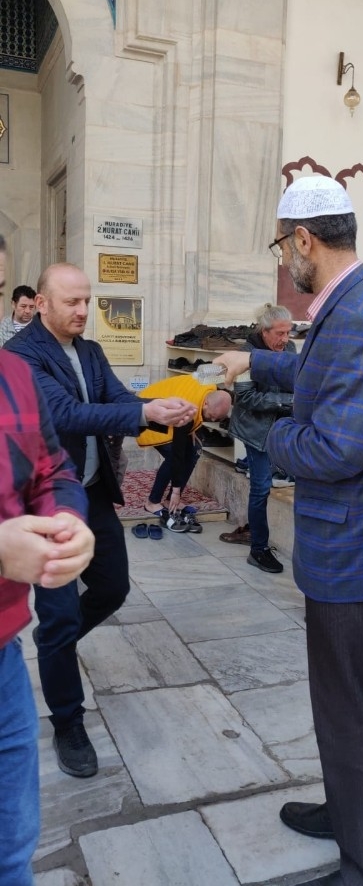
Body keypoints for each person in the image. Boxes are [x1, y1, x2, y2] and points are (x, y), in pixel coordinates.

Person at [215, 175, 363, 886]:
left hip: (356, 549)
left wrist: (271, 431)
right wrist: (255, 361)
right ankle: (348, 808)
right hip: (355, 543)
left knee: (351, 706)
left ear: (304, 239)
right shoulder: (355, 302)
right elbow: (315, 369)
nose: (285, 257)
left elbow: (339, 446)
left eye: (283, 243)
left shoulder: (360, 315)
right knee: (341, 699)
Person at [4, 263, 197, 779]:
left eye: (87, 301)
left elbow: (114, 397)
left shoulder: (89, 349)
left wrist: (159, 406)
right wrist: (144, 416)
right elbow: (65, 414)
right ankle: (68, 718)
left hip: (91, 493)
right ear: (41, 303)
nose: (83, 312)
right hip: (46, 504)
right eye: (71, 302)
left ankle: (55, 646)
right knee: (61, 615)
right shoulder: (21, 356)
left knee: (112, 588)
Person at [0, 240, 95, 886]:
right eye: (74, 300)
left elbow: (50, 462)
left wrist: (69, 517)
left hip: (3, 658)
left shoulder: (9, 377)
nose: (84, 311)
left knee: (13, 850)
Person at [219, 303, 295, 573]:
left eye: (289, 333)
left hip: (283, 429)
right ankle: (258, 549)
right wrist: (290, 401)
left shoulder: (290, 350)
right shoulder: (244, 355)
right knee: (261, 487)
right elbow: (247, 397)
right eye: (279, 334)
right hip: (256, 431)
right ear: (264, 331)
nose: (285, 340)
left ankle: (254, 530)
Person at [137, 375, 232, 533]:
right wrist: (176, 490)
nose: (213, 419)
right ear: (206, 403)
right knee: (172, 455)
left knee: (194, 450)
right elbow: (177, 453)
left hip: (172, 415)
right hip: (148, 415)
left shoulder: (210, 390)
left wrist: (192, 428)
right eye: (212, 416)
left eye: (217, 418)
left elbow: (196, 408)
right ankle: (152, 502)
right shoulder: (188, 408)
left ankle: (170, 502)